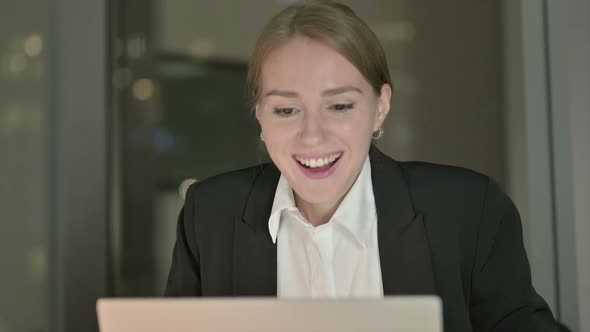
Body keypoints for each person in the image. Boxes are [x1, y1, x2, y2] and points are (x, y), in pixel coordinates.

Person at [165, 1, 562, 331]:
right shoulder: (209, 215)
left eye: (339, 106)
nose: (312, 136)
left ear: (380, 107)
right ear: (260, 116)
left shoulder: (467, 211)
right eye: (286, 109)